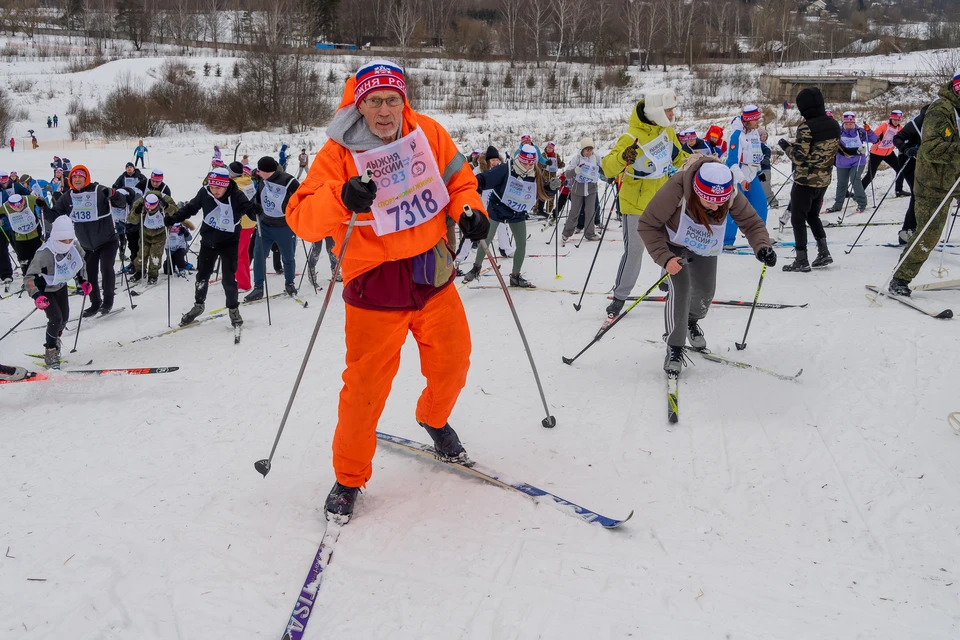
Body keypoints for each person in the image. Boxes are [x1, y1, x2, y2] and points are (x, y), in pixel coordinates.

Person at [286, 59, 489, 523]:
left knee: (454, 362)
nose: (383, 110)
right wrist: (341, 198)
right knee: (364, 391)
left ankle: (433, 419)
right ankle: (349, 477)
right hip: (375, 286)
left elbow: (460, 182)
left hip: (431, 274)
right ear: (360, 104)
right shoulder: (337, 152)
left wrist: (469, 210)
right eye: (373, 101)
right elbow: (300, 218)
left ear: (404, 101)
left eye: (391, 100)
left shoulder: (429, 133)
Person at [638, 158, 776, 373]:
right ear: (696, 191)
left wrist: (762, 247)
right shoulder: (676, 188)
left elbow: (751, 222)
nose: (716, 206)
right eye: (709, 200)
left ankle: (691, 321)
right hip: (674, 244)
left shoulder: (731, 194)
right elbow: (647, 224)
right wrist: (664, 258)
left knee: (705, 292)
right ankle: (675, 345)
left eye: (720, 201)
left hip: (705, 243)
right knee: (681, 291)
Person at [601, 88, 687, 318]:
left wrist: (694, 164)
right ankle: (620, 296)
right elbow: (608, 167)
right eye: (668, 111)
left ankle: (667, 282)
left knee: (671, 244)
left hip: (665, 200)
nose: (671, 115)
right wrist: (622, 157)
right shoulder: (631, 137)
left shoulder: (667, 133)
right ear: (657, 112)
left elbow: (679, 157)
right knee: (635, 252)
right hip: (636, 204)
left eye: (672, 111)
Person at [888, 68, 960, 297]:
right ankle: (900, 277)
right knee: (928, 234)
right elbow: (930, 149)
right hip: (933, 182)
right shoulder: (941, 109)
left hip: (956, 176)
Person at [165, 167, 254, 326]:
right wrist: (174, 218)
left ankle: (233, 309)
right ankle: (198, 305)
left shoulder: (237, 195)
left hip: (229, 242)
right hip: (209, 241)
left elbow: (247, 208)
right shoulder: (205, 193)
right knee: (202, 277)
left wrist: (255, 210)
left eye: (218, 187)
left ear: (226, 184)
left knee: (228, 279)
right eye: (212, 187)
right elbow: (191, 208)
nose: (214, 191)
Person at [462, 144, 551, 288]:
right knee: (486, 238)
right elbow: (485, 179)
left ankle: (515, 276)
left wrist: (552, 188)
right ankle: (476, 268)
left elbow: (544, 192)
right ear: (519, 159)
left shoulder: (535, 173)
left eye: (530, 163)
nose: (528, 166)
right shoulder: (506, 168)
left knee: (521, 243)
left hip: (517, 211)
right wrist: (471, 184)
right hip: (498, 208)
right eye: (524, 162)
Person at [777, 87, 841, 272]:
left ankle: (801, 259)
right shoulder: (834, 124)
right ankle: (823, 252)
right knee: (813, 215)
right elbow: (823, 150)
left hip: (805, 180)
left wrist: (786, 147)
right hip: (824, 179)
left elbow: (798, 157)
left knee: (798, 219)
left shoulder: (806, 127)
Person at [49, 166, 125, 316]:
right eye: (74, 177)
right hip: (87, 245)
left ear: (86, 178)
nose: (77, 179)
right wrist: (44, 209)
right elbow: (54, 216)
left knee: (106, 269)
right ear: (70, 180)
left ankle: (108, 301)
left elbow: (121, 203)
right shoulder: (68, 196)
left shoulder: (98, 190)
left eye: (80, 177)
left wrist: (114, 194)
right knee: (89, 274)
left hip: (107, 241)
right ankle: (95, 303)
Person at [24, 216, 91, 369]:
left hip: (60, 286)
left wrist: (83, 280)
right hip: (45, 290)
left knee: (64, 318)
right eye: (63, 241)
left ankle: (55, 340)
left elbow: (80, 263)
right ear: (55, 238)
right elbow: (29, 277)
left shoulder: (74, 247)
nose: (67, 244)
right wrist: (36, 295)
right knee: (56, 318)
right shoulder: (44, 254)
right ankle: (50, 349)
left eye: (69, 240)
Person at [244, 156, 300, 300]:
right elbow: (257, 198)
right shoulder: (262, 181)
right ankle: (258, 287)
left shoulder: (288, 181)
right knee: (259, 256)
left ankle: (290, 283)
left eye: (259, 171)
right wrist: (254, 208)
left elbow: (302, 197)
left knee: (288, 257)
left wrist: (297, 212)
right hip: (265, 225)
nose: (257, 173)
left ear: (266, 171)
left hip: (284, 226)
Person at [723, 105, 769, 249]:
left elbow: (756, 154)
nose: (758, 122)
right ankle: (727, 241)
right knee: (736, 209)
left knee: (761, 205)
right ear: (747, 120)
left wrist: (759, 170)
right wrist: (741, 179)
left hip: (752, 175)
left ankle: (761, 238)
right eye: (755, 119)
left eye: (758, 118)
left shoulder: (755, 132)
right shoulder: (736, 135)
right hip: (738, 176)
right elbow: (731, 162)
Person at [824, 112, 874, 215]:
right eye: (846, 124)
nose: (849, 126)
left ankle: (862, 203)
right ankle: (838, 205)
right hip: (842, 162)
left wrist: (869, 131)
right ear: (843, 123)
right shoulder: (838, 131)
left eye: (851, 124)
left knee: (854, 179)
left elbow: (874, 139)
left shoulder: (859, 131)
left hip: (858, 161)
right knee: (842, 183)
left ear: (854, 122)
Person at [893, 105, 927, 244]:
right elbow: (897, 138)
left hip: (923, 162)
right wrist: (906, 149)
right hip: (908, 160)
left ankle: (914, 228)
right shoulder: (916, 123)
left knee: (921, 195)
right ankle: (906, 231)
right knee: (917, 194)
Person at [127, 192, 177, 285]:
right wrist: (136, 212)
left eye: (152, 206)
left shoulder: (165, 200)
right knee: (141, 255)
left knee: (155, 256)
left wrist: (167, 207)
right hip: (145, 233)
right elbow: (131, 220)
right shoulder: (140, 202)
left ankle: (153, 275)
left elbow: (177, 213)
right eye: (147, 206)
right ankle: (139, 272)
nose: (149, 208)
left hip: (160, 234)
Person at [561, 137, 601, 242]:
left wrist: (608, 176)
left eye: (590, 150)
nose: (589, 152)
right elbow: (567, 174)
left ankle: (590, 234)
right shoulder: (577, 158)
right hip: (577, 189)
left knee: (590, 212)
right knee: (574, 212)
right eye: (587, 150)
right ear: (582, 149)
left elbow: (601, 170)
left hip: (591, 189)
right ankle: (567, 233)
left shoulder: (596, 158)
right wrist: (575, 170)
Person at [862, 110, 907, 197]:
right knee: (871, 174)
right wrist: (878, 137)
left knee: (900, 170)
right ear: (891, 119)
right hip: (876, 153)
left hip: (889, 153)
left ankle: (899, 190)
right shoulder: (884, 125)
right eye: (894, 119)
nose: (896, 121)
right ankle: (859, 191)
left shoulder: (900, 128)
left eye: (898, 120)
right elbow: (873, 136)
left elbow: (901, 138)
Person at [229, 162, 257, 291]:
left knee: (237, 254)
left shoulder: (235, 186)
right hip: (250, 223)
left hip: (242, 224)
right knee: (243, 253)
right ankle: (243, 279)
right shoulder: (247, 180)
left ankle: (243, 283)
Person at [1, 193, 45, 276]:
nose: (19, 209)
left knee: (38, 256)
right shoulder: (5, 207)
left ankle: (42, 276)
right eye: (15, 207)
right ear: (10, 206)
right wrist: (2, 220)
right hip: (19, 238)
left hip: (34, 235)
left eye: (21, 205)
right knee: (24, 259)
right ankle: (27, 277)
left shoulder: (29, 199)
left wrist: (41, 202)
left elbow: (41, 200)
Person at [758, 128, 779, 209]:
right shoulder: (756, 144)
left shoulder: (765, 145)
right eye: (761, 135)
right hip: (757, 169)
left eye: (765, 135)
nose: (763, 136)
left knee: (766, 186)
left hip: (765, 168)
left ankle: (773, 202)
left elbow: (768, 151)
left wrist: (776, 153)